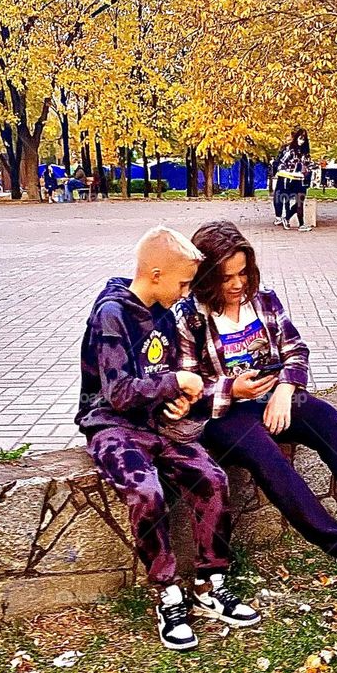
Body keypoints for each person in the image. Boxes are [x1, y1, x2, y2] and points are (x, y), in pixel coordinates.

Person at [172, 220, 337, 585]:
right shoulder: (190, 318)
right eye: (225, 278)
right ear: (206, 277)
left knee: (325, 418)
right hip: (222, 415)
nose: (237, 284)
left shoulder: (262, 299)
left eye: (242, 272)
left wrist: (285, 390)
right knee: (263, 452)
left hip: (275, 394)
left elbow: (295, 349)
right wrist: (232, 391)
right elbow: (188, 389)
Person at [75, 226, 261, 651]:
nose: (185, 291)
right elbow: (119, 392)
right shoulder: (112, 315)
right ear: (155, 274)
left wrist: (175, 399)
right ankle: (167, 593)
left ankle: (209, 584)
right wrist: (176, 380)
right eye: (181, 283)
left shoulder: (164, 309)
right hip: (113, 424)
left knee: (211, 479)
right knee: (146, 492)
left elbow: (165, 373)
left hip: (155, 421)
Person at [273, 129, 313, 232]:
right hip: (289, 179)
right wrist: (288, 172)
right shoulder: (290, 150)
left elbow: (308, 164)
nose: (301, 141)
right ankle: (300, 224)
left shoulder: (305, 152)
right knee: (292, 199)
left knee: (300, 200)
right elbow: (281, 163)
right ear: (296, 138)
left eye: (303, 139)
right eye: (300, 139)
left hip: (300, 179)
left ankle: (288, 219)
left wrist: (309, 169)